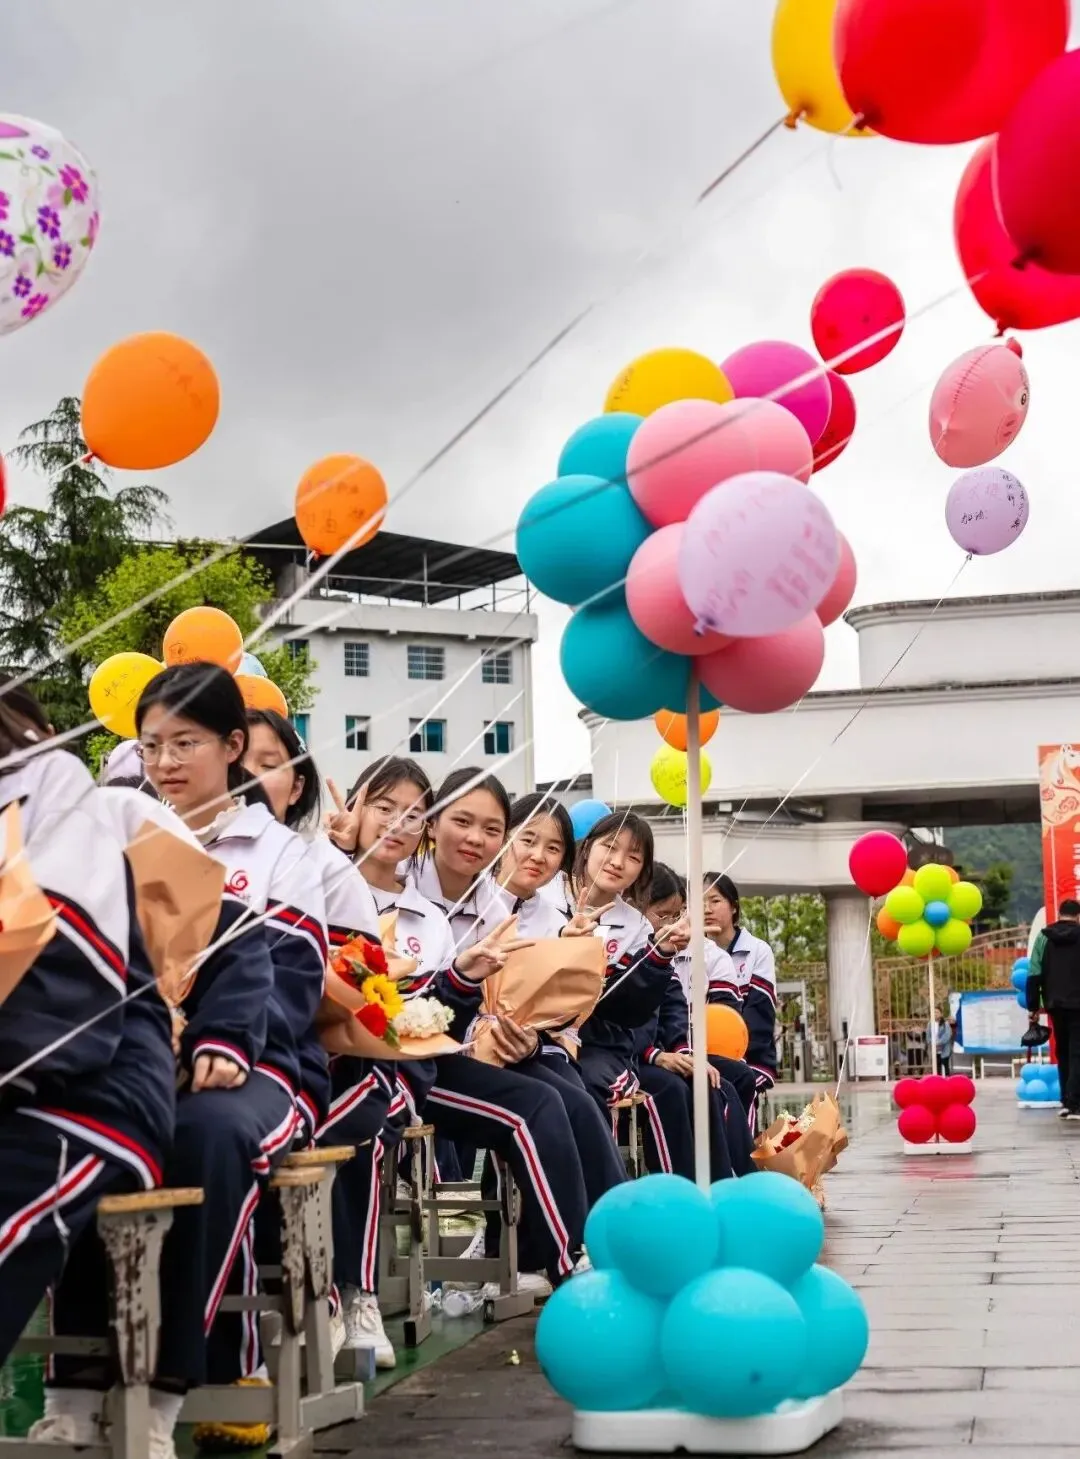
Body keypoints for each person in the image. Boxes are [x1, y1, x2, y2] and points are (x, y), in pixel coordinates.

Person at [135, 665, 325, 1452]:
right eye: (151, 746)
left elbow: (291, 986)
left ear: (233, 745)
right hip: (146, 1060)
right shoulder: (129, 837)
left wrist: (216, 1040)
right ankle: (80, 1381)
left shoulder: (282, 854)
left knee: (209, 1134)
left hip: (266, 1068)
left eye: (185, 742)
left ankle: (199, 1374)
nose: (165, 762)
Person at [331, 762, 594, 1292]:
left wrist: (503, 1026)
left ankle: (570, 1258)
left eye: (491, 828)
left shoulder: (447, 916)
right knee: (369, 1118)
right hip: (343, 1063)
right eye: (385, 809)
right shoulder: (328, 879)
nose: (475, 838)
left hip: (427, 1060)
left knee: (550, 1099)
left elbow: (456, 1007)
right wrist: (333, 850)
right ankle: (355, 1292)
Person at [243, 709, 399, 1369]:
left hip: (339, 1057)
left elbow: (367, 978)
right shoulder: (186, 852)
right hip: (239, 1056)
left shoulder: (324, 866)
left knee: (344, 1124)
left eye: (268, 762)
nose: (249, 776)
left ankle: (351, 1294)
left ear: (299, 782)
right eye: (237, 759)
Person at [571, 813, 685, 1176]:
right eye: (610, 847)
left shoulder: (636, 927)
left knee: (583, 1087)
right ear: (586, 847)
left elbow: (629, 1010)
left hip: (601, 1049)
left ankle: (600, 1191)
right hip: (538, 1041)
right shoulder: (547, 900)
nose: (618, 862)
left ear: (642, 871)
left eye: (633, 857)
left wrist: (658, 956)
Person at [635, 866, 754, 1179]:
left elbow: (675, 1006)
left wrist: (684, 1052)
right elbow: (617, 1017)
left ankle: (733, 1178)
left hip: (670, 1049)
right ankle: (684, 1184)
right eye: (664, 915)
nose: (674, 924)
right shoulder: (628, 941)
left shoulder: (686, 953)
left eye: (678, 914)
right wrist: (655, 1054)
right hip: (629, 1055)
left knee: (720, 1080)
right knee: (680, 1087)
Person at [703, 871, 778, 1098]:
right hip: (702, 1054)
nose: (707, 909)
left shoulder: (757, 951)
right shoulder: (691, 950)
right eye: (700, 902)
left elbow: (759, 1014)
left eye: (715, 901)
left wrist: (735, 1055)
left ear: (734, 906)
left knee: (735, 1085)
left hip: (750, 1057)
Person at [1027, 899, 1080, 1118]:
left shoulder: (1044, 937)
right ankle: (1076, 1102)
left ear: (1059, 914)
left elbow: (1034, 972)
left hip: (1055, 1005)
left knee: (1063, 1051)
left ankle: (1066, 1101)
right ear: (1078, 916)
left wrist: (1033, 1006)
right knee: (1077, 1052)